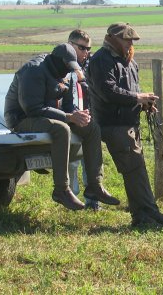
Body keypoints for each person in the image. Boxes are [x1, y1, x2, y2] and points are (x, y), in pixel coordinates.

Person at [4, 43, 120, 210]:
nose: (68, 70)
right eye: (66, 66)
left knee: (92, 128)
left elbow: (69, 106)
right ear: (57, 60)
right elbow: (32, 109)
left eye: (71, 67)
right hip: (22, 120)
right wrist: (68, 117)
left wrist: (79, 115)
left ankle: (94, 186)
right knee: (61, 129)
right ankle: (62, 189)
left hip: (50, 118)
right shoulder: (33, 70)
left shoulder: (69, 73)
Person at [86, 22, 163, 227]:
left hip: (128, 122)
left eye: (131, 40)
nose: (129, 44)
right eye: (125, 39)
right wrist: (138, 97)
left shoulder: (130, 63)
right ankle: (146, 214)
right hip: (113, 125)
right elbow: (107, 91)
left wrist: (143, 105)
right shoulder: (102, 60)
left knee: (136, 170)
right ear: (111, 38)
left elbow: (129, 91)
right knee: (135, 170)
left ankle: (146, 214)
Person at [64, 29, 101, 210]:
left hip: (89, 118)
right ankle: (73, 199)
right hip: (69, 119)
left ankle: (92, 199)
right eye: (82, 48)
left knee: (91, 159)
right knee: (72, 161)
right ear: (70, 45)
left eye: (89, 48)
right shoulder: (61, 64)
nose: (86, 52)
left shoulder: (91, 65)